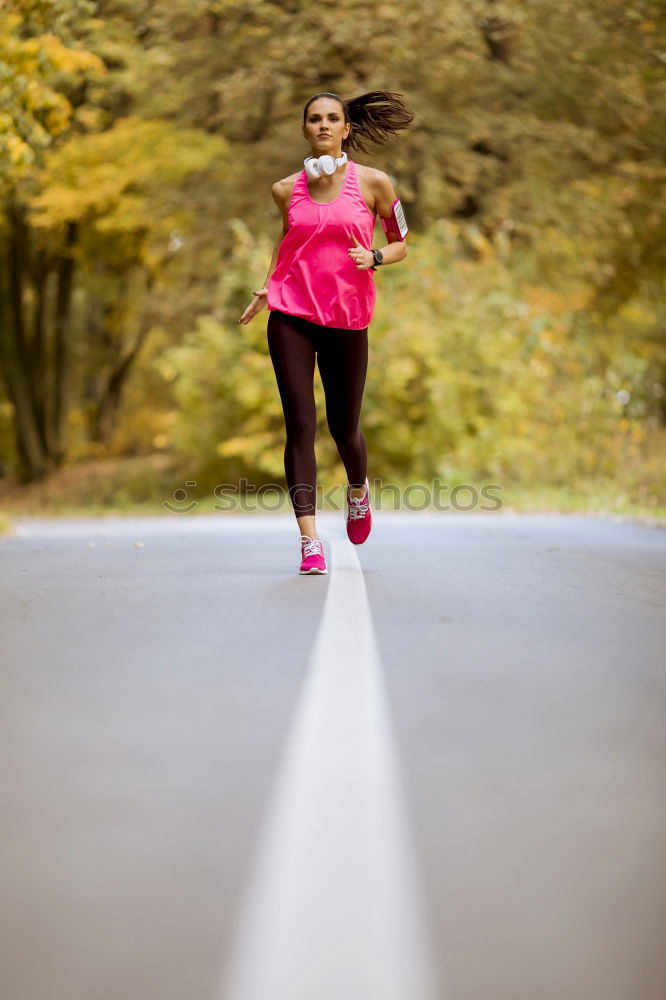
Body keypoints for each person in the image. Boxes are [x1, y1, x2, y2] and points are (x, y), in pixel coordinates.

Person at [238, 90, 413, 575]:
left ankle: (358, 491)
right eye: (314, 119)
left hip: (347, 318)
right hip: (292, 316)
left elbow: (401, 244)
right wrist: (268, 285)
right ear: (303, 128)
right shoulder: (284, 188)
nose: (323, 126)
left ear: (346, 128)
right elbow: (288, 240)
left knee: (344, 427)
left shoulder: (375, 183)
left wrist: (375, 257)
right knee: (300, 424)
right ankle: (309, 540)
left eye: (332, 119)